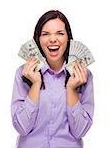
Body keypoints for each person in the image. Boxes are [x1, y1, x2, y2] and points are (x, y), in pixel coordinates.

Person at [11, 10, 94, 148]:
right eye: (45, 34)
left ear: (68, 38)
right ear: (38, 39)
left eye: (60, 33)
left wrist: (71, 89)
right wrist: (36, 83)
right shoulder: (23, 73)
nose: (53, 39)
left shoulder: (84, 75)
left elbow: (80, 131)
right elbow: (22, 128)